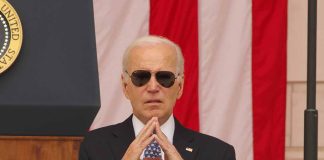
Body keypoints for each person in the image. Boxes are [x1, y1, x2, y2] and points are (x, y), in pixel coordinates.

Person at [79, 35, 236, 160]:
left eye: (164, 77)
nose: (153, 87)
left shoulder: (218, 154)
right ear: (126, 87)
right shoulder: (93, 147)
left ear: (180, 87)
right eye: (141, 77)